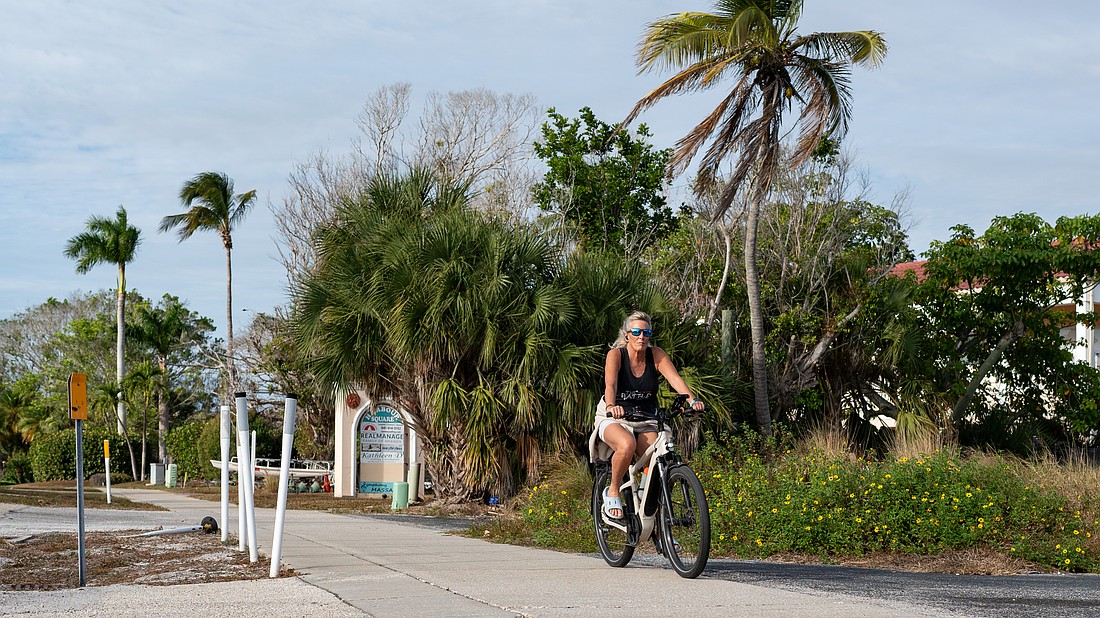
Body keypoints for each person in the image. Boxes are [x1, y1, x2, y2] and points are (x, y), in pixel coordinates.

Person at [596, 310, 704, 519]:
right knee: (627, 445)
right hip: (615, 416)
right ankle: (612, 491)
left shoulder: (656, 354)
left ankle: (654, 522)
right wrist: (611, 405)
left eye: (646, 333)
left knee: (657, 458)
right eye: (636, 332)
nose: (641, 337)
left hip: (646, 417)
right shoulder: (616, 355)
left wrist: (693, 400)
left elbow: (676, 381)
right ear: (627, 334)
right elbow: (610, 384)